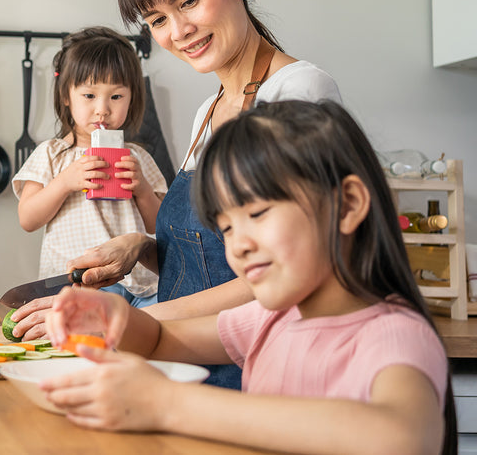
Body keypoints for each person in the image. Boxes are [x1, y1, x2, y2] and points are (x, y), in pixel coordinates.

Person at [10, 0, 341, 389]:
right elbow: (210, 258)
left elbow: (291, 273)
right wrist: (139, 248)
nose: (179, 30)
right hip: (188, 366)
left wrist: (131, 319)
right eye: (158, 20)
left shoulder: (297, 91)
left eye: (190, 1)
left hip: (261, 372)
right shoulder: (208, 111)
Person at [40, 100, 456, 455]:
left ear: (347, 205)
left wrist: (167, 403)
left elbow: (400, 436)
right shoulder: (271, 317)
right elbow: (158, 340)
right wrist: (114, 318)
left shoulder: (394, 335)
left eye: (256, 214)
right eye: (227, 226)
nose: (236, 245)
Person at [12, 27, 167, 307]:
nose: (102, 109)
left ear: (132, 98)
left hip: (140, 285)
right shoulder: (51, 154)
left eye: (116, 97)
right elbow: (27, 219)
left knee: (154, 331)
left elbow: (161, 226)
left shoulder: (138, 157)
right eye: (89, 95)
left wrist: (143, 189)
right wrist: (65, 182)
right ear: (66, 96)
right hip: (77, 285)